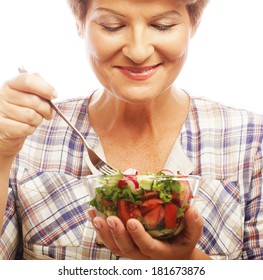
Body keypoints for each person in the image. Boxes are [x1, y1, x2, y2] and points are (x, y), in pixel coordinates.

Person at [0, 0, 262, 260]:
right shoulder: (25, 134)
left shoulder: (252, 141)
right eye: (113, 26)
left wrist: (189, 264)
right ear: (80, 23)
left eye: (162, 25)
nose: (138, 52)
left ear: (193, 23)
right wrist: (2, 153)